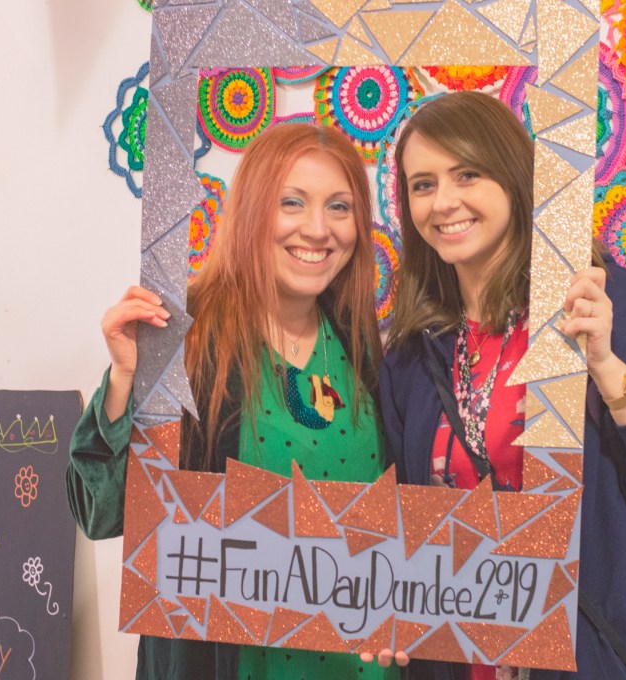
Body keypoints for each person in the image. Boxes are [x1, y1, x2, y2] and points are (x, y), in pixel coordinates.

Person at [375, 91, 626, 679]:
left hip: (603, 660)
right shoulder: (413, 357)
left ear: (512, 178)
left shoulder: (601, 305)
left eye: (466, 174)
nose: (443, 202)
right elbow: (405, 525)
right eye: (423, 184)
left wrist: (609, 369)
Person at [66, 123, 401, 680]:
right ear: (251, 210)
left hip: (358, 666)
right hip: (232, 663)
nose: (319, 229)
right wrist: (125, 377)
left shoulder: (360, 343)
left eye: (339, 207)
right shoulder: (188, 341)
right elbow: (100, 511)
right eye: (291, 202)